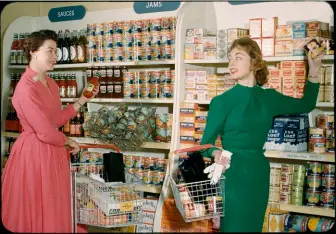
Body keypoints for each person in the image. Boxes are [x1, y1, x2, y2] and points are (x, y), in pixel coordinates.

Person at [200, 37, 324, 232]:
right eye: (230, 58)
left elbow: (306, 104)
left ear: (254, 62)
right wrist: (215, 152)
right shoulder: (221, 101)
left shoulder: (269, 97)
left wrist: (314, 69)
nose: (231, 63)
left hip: (258, 172)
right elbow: (205, 145)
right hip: (233, 173)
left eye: (238, 57)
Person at [2, 30, 98, 233]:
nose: (55, 57)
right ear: (34, 52)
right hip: (34, 153)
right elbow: (45, 132)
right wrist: (69, 141)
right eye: (50, 51)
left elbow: (55, 120)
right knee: (39, 204)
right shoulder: (25, 88)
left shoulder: (51, 84)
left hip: (52, 151)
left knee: (54, 202)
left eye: (57, 51)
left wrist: (82, 100)